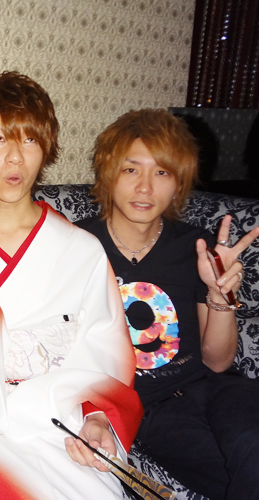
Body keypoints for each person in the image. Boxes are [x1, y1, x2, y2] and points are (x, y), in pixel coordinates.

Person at [0, 71, 144, 500]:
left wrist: (97, 418)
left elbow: (106, 354)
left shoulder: (81, 249)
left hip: (63, 427)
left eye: (30, 140)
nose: (16, 158)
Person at [76, 108, 259, 500]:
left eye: (161, 172)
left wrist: (220, 295)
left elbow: (217, 362)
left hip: (218, 389)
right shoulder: (77, 247)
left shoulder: (196, 246)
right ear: (108, 175)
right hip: (152, 409)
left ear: (178, 184)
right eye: (131, 169)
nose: (145, 187)